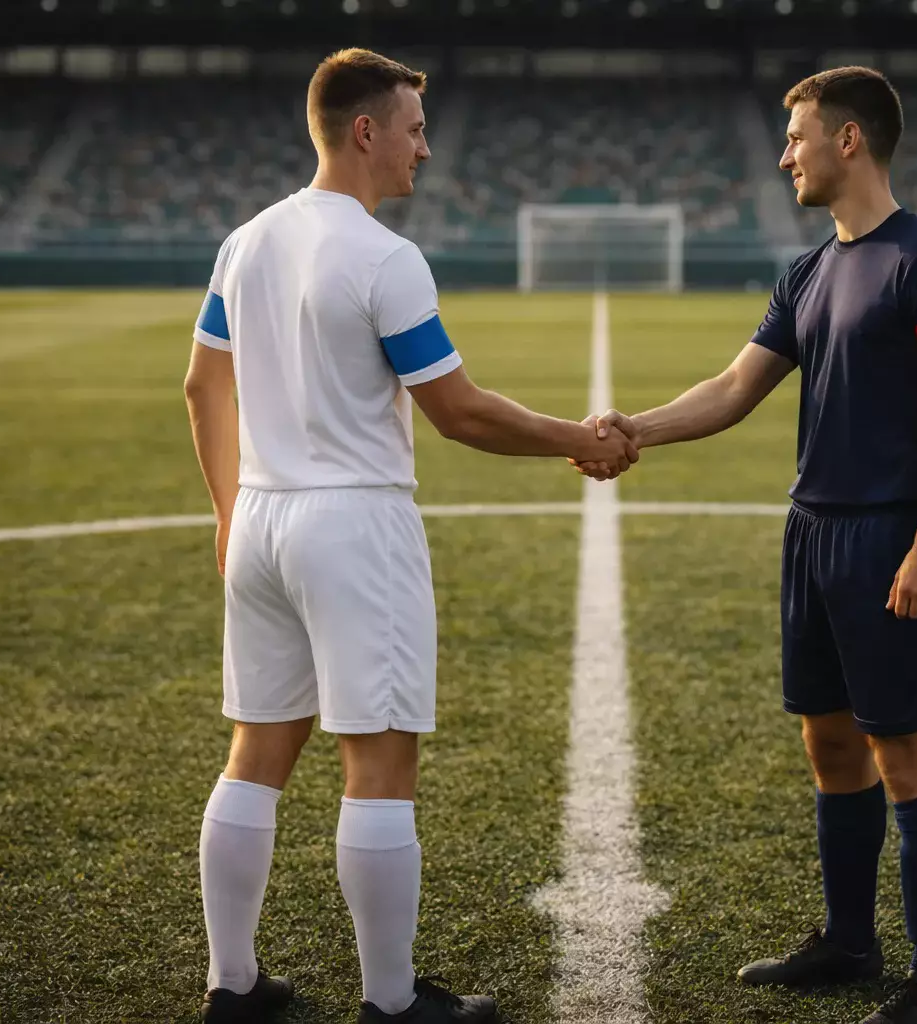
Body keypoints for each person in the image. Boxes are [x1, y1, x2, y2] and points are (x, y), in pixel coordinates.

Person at [181, 47, 637, 1024]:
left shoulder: (245, 241)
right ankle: (391, 1003)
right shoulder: (385, 257)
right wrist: (581, 439)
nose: (425, 149)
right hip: (354, 523)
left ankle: (232, 984)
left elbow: (200, 386)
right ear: (366, 132)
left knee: (255, 750)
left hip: (259, 519)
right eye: (415, 129)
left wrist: (228, 513)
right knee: (380, 763)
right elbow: (458, 410)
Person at [577, 66, 917, 1024]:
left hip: (889, 538)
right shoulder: (807, 271)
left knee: (909, 755)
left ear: (849, 139)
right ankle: (849, 941)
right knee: (831, 742)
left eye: (796, 137)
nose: (783, 156)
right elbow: (733, 388)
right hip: (813, 534)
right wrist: (632, 429)